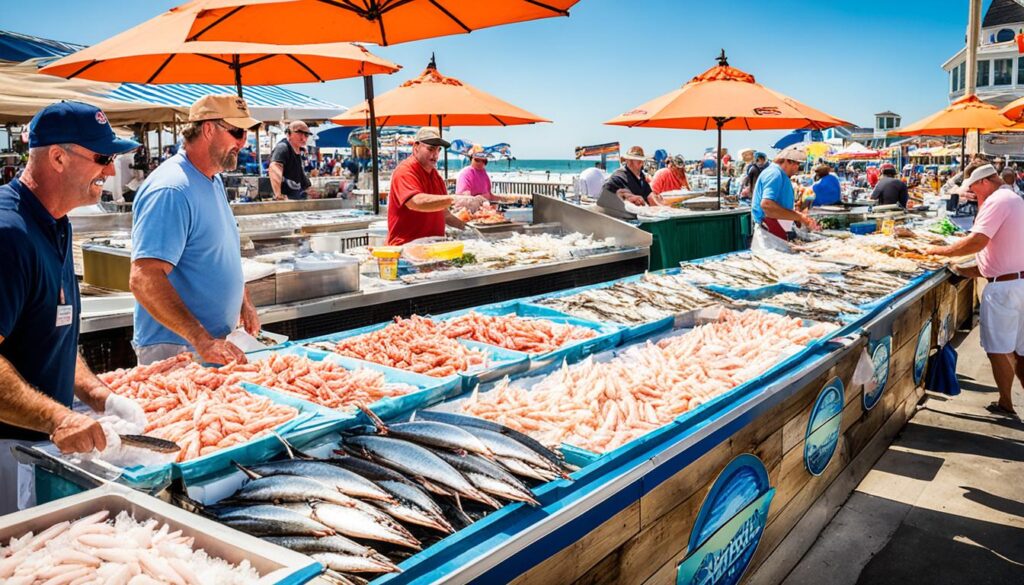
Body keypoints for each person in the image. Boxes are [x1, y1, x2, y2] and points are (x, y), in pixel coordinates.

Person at [0, 102, 146, 514]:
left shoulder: (57, 221)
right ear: (58, 158)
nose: (109, 170)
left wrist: (98, 395)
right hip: (10, 454)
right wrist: (59, 419)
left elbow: (52, 330)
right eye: (102, 158)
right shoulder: (9, 234)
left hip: (41, 446)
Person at [130, 94, 262, 366]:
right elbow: (144, 277)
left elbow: (218, 252)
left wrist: (243, 300)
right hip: (179, 348)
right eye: (236, 132)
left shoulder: (212, 179)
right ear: (208, 128)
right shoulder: (172, 188)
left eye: (245, 133)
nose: (242, 142)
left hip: (210, 345)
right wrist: (201, 339)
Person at [926, 164, 1024, 417]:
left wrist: (939, 251)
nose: (972, 195)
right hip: (1017, 282)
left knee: (998, 348)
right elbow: (1001, 254)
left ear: (984, 182)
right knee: (1020, 349)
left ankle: (1005, 403)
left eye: (973, 189)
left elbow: (978, 241)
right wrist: (963, 269)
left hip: (1004, 290)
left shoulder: (996, 201)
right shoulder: (1014, 198)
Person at [386, 127, 473, 245]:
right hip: (406, 248)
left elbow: (445, 214)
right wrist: (454, 198)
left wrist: (471, 228)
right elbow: (415, 202)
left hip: (433, 247)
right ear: (416, 147)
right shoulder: (405, 171)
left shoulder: (435, 176)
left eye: (438, 150)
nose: (435, 154)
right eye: (431, 149)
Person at [750, 145, 819, 239]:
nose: (797, 168)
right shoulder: (774, 174)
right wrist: (799, 216)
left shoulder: (780, 174)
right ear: (787, 161)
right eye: (796, 164)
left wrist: (795, 217)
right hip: (769, 231)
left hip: (777, 230)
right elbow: (767, 205)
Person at [269, 120, 315, 200]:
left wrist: (309, 189)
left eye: (306, 134)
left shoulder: (300, 152)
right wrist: (278, 195)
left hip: (296, 200)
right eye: (299, 133)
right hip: (285, 201)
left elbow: (300, 176)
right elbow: (275, 167)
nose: (303, 137)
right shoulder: (283, 147)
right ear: (288, 134)